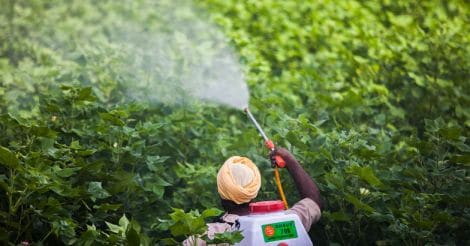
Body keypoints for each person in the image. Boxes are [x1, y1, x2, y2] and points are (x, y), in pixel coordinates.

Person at [184, 148, 322, 245]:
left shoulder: (204, 237)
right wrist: (290, 160)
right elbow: (314, 202)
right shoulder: (286, 224)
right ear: (254, 191)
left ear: (221, 192)